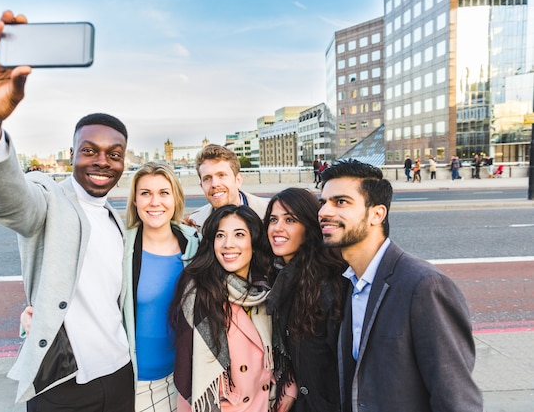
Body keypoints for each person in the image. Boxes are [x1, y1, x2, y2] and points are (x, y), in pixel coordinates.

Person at [0, 11, 135, 411]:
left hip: (122, 373)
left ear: (125, 161)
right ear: (71, 155)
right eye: (90, 151)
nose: (102, 161)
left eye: (114, 154)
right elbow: (11, 200)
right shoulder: (49, 198)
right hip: (63, 383)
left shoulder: (115, 220)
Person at [22, 161, 199, 412]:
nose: (155, 202)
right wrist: (36, 318)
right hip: (132, 380)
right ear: (135, 201)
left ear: (175, 198)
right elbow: (73, 283)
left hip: (181, 378)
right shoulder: (119, 242)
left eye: (163, 193)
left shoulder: (195, 244)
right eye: (145, 193)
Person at [317, 159, 483, 412]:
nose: (324, 212)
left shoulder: (424, 286)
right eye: (323, 202)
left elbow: (456, 397)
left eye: (341, 202)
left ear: (377, 214)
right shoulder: (349, 284)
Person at [170, 205, 296, 412]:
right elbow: (186, 368)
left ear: (253, 242)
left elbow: (287, 345)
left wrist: (289, 389)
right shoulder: (198, 292)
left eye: (239, 234)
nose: (228, 244)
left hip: (270, 403)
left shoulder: (268, 286)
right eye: (221, 235)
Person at [264, 188, 347, 412]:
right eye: (273, 219)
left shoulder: (326, 285)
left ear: (309, 227)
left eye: (290, 219)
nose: (277, 228)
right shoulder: (278, 275)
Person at [186, 144, 269, 231]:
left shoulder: (269, 213)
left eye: (221, 175)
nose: (214, 184)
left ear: (238, 180)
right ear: (201, 186)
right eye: (207, 178)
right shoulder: (195, 223)